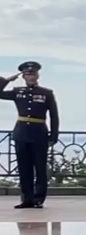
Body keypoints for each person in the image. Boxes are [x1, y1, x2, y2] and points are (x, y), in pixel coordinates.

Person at [0, 62, 59, 208]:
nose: (30, 77)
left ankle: (38, 198)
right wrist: (6, 81)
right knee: (24, 167)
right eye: (27, 74)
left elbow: (54, 116)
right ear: (24, 77)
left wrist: (54, 136)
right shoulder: (17, 91)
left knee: (40, 167)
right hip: (21, 133)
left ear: (38, 75)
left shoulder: (46, 93)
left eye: (33, 74)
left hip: (39, 133)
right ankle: (26, 198)